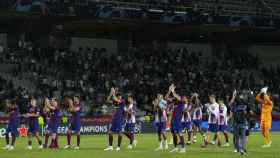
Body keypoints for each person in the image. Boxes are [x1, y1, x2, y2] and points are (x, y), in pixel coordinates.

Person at [230, 91, 251, 155]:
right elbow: (250, 112)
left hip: (236, 123)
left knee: (236, 137)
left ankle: (238, 149)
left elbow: (230, 104)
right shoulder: (245, 105)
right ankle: (242, 149)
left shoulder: (235, 106)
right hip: (243, 123)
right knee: (243, 137)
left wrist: (233, 96)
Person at [168, 84, 187, 153]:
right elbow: (166, 98)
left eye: (177, 96)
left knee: (180, 133)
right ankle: (175, 147)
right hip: (173, 120)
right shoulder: (174, 102)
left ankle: (183, 148)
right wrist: (169, 90)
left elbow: (179, 98)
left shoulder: (182, 102)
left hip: (178, 120)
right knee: (173, 134)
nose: (175, 97)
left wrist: (173, 91)